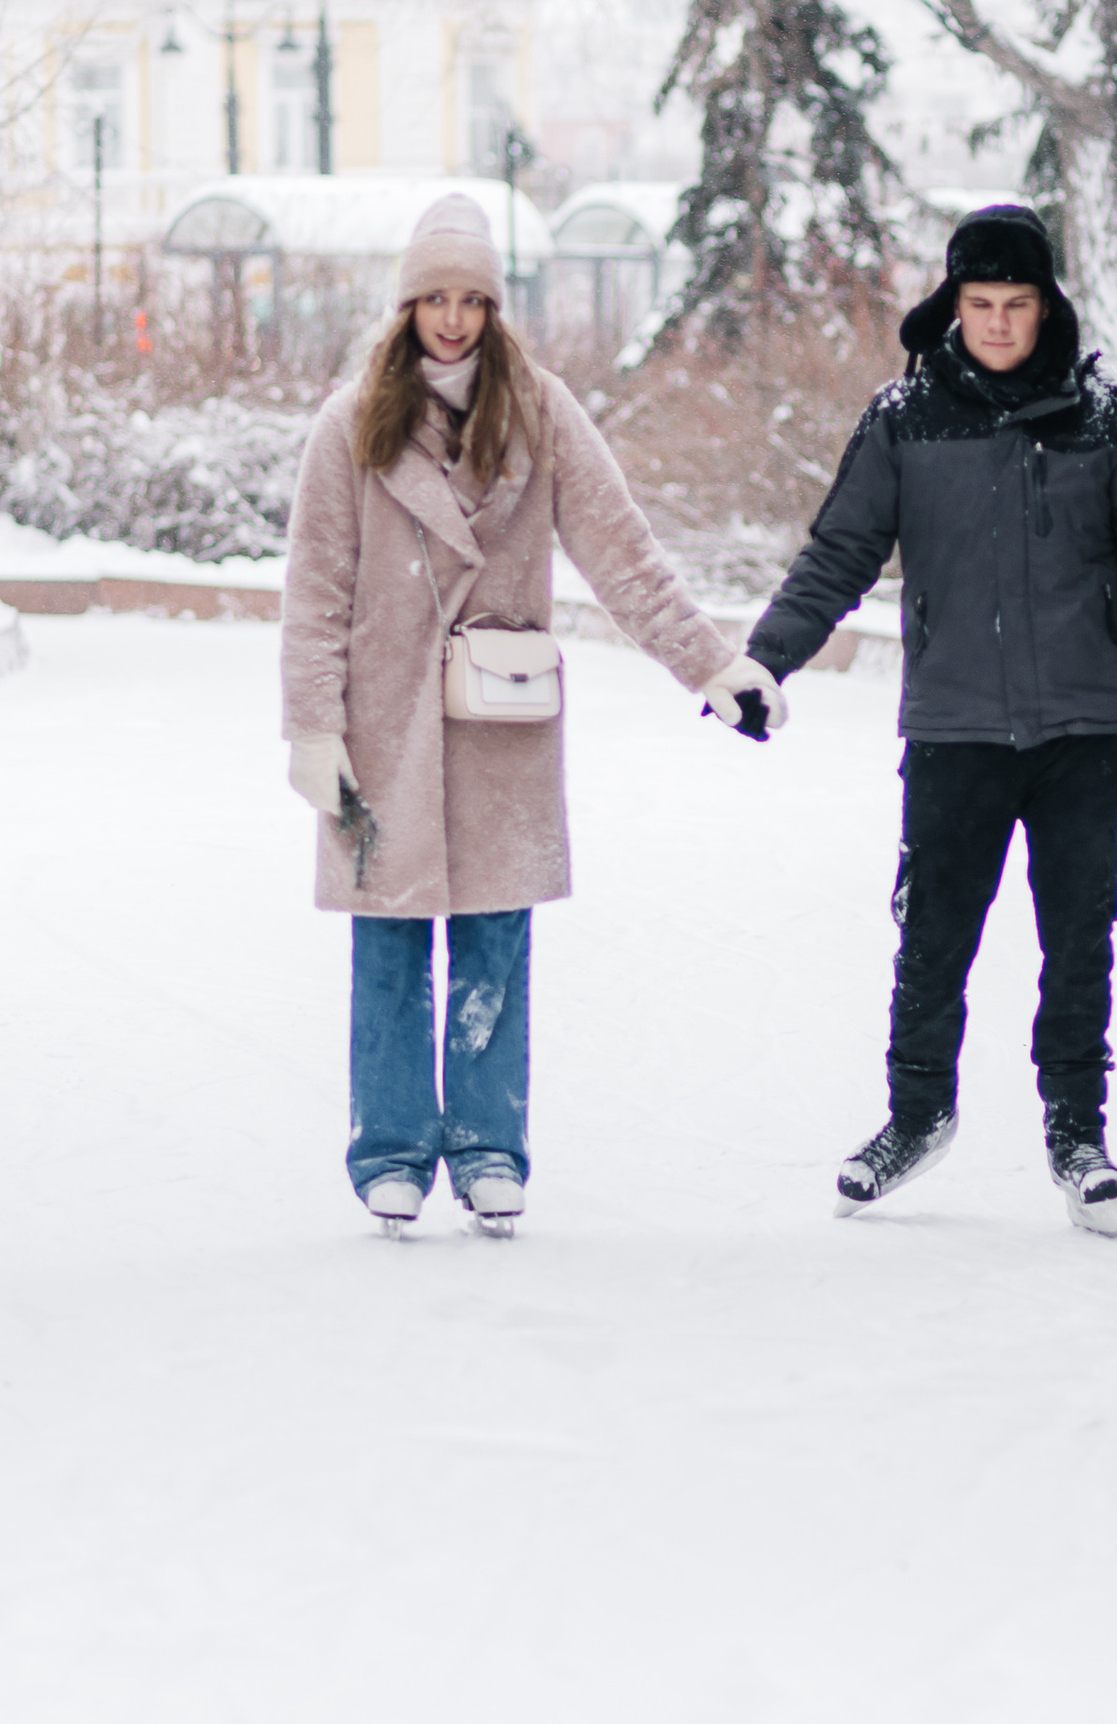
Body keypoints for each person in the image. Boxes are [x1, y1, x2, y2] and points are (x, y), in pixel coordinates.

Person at [281, 191, 782, 1235]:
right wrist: (314, 728)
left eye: (472, 300)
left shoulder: (539, 412)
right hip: (385, 723)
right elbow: (316, 589)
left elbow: (622, 552)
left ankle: (486, 1146)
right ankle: (391, 1149)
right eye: (435, 299)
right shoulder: (350, 423)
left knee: (494, 939)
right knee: (389, 942)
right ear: (407, 305)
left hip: (498, 717)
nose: (453, 319)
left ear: (495, 307)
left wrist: (710, 666)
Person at [745, 201, 1117, 1233]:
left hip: (1085, 727)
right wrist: (765, 659)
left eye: (1017, 303)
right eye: (981, 303)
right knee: (933, 935)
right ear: (953, 305)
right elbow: (839, 553)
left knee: (1079, 937)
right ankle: (916, 1116)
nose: (999, 323)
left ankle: (1077, 1134)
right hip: (954, 726)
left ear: (1047, 307)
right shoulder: (905, 419)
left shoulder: (1105, 417)